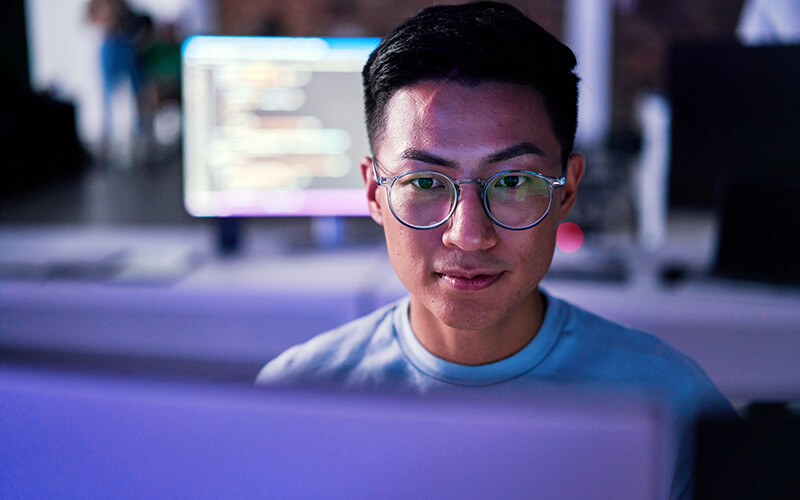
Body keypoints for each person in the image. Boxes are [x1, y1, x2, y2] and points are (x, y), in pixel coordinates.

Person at [256, 2, 734, 498]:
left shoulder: (670, 403)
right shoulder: (296, 398)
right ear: (375, 193)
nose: (468, 234)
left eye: (511, 180)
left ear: (566, 191)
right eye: (424, 181)